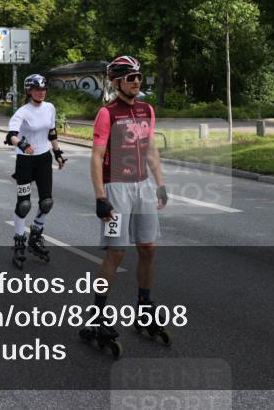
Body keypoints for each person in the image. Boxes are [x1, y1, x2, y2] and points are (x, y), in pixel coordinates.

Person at [81, 56, 169, 353]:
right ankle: (97, 315)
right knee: (116, 252)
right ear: (116, 82)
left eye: (139, 77)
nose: (136, 82)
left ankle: (144, 305)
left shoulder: (147, 109)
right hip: (116, 187)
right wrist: (100, 197)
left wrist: (161, 184)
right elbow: (95, 157)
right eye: (130, 78)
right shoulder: (107, 114)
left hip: (143, 184)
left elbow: (152, 149)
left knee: (148, 248)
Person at [4, 74, 66, 269]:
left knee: (47, 202)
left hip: (43, 159)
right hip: (25, 161)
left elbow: (52, 131)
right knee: (24, 205)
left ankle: (36, 235)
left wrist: (57, 153)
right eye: (37, 89)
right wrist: (22, 144)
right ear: (29, 91)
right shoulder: (22, 112)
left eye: (43, 89)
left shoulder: (50, 108)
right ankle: (19, 242)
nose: (41, 92)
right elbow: (11, 135)